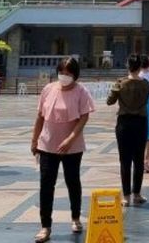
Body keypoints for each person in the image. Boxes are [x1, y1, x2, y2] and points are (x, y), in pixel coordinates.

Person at [30, 57, 95, 243]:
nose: (64, 76)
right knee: (46, 184)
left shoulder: (81, 91)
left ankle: (75, 217)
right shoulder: (48, 89)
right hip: (48, 144)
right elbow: (40, 117)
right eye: (62, 72)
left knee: (72, 181)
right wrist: (34, 140)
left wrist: (70, 138)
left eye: (69, 73)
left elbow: (83, 117)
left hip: (72, 146)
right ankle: (45, 226)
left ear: (75, 75)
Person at [107, 53, 149, 207]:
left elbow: (109, 101)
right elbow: (145, 100)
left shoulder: (121, 83)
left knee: (125, 160)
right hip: (141, 122)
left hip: (124, 123)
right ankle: (137, 193)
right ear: (140, 67)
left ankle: (126, 195)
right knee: (138, 159)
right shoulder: (146, 84)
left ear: (128, 66)